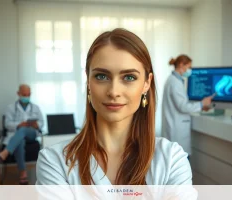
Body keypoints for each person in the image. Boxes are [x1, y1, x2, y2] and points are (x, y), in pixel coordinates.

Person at [36, 28, 193, 186]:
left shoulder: (172, 160)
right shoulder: (54, 162)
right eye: (101, 76)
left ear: (147, 83)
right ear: (88, 82)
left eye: (129, 77)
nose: (114, 92)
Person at [161, 55, 215, 155]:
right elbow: (183, 107)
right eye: (189, 67)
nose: (190, 70)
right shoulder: (174, 83)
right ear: (182, 65)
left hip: (173, 127)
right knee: (180, 161)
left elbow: (180, 103)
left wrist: (200, 106)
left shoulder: (173, 80)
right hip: (176, 131)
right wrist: (202, 103)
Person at [0, 84, 44, 185]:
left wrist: (36, 124)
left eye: (28, 94)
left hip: (31, 134)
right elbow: (7, 124)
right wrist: (19, 125)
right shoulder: (10, 108)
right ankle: (23, 174)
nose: (26, 97)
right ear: (18, 94)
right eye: (24, 94)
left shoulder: (36, 107)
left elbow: (42, 122)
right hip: (16, 136)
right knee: (20, 139)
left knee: (23, 130)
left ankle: (5, 152)